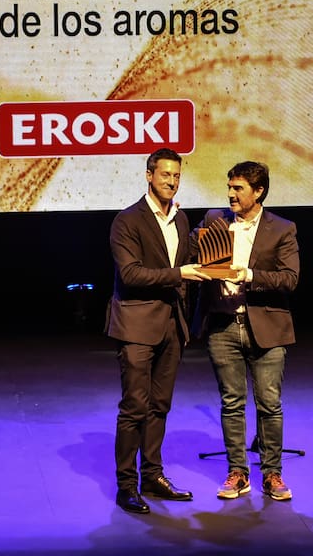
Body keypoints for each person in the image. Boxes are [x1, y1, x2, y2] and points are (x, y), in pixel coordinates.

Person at [106, 148, 210, 514]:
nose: (172, 181)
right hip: (136, 325)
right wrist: (180, 274)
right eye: (165, 174)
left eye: (177, 176)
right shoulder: (127, 221)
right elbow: (130, 274)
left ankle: (152, 476)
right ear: (149, 175)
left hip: (171, 325)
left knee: (159, 406)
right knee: (134, 406)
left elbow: (189, 262)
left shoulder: (180, 220)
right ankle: (126, 485)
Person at [193, 160, 299, 501]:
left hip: (266, 328)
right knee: (231, 403)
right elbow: (191, 250)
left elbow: (290, 279)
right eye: (229, 187)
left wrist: (249, 276)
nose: (231, 194)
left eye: (238, 188)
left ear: (259, 191)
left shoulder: (281, 229)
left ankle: (272, 474)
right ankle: (238, 472)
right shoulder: (215, 220)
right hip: (223, 326)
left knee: (269, 404)